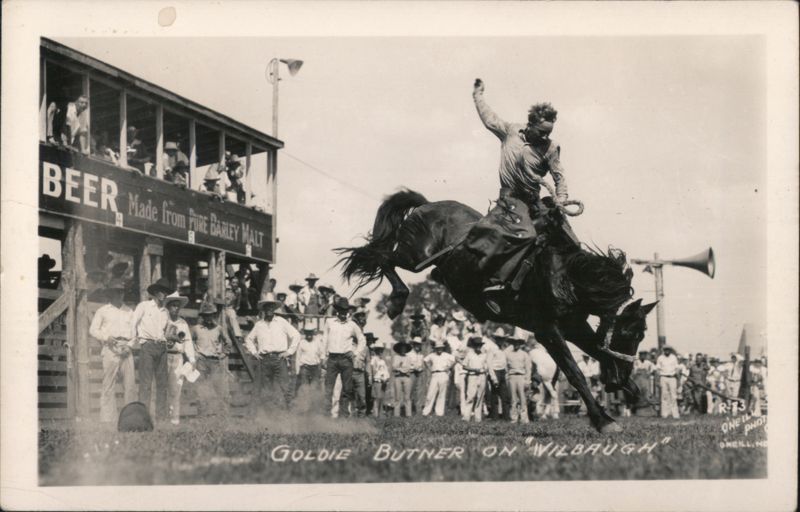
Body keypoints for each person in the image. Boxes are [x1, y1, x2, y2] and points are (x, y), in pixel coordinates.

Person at [469, 78, 577, 315]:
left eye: (548, 133)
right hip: (511, 200)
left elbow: (559, 177)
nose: (545, 137)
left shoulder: (551, 148)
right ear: (531, 125)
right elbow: (489, 118)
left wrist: (561, 199)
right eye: (541, 132)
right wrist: (478, 95)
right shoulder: (510, 132)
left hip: (534, 200)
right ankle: (495, 284)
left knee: (567, 236)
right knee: (527, 234)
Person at [89, 279, 136, 423]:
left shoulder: (129, 311)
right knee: (108, 384)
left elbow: (135, 333)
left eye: (121, 292)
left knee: (130, 385)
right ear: (111, 294)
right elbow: (93, 330)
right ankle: (108, 419)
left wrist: (129, 345)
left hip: (126, 347)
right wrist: (106, 337)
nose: (120, 295)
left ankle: (130, 418)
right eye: (116, 292)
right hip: (110, 347)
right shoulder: (103, 311)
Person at [245, 293, 301, 412]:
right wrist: (254, 352)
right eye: (267, 307)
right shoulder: (259, 325)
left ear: (274, 308)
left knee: (285, 387)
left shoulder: (281, 322)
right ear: (264, 309)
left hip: (279, 359)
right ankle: (269, 415)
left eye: (271, 307)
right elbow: (249, 339)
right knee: (266, 388)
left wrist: (289, 352)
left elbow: (296, 335)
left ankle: (288, 416)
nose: (269, 309)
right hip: (264, 359)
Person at [131, 277, 172, 421]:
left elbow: (166, 331)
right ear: (155, 292)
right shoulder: (144, 306)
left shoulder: (166, 312)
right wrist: (134, 341)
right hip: (147, 346)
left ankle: (161, 417)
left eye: (166, 292)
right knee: (146, 384)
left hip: (162, 347)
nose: (164, 294)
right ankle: (143, 417)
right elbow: (133, 323)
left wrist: (170, 339)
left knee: (162, 384)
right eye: (161, 291)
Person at [322, 297, 366, 418]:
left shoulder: (352, 325)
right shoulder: (329, 322)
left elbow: (362, 339)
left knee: (347, 389)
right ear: (337, 310)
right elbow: (324, 339)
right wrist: (323, 356)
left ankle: (344, 415)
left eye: (345, 310)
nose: (343, 313)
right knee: (328, 388)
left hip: (346, 359)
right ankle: (326, 415)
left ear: (348, 311)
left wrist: (355, 352)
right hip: (332, 358)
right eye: (341, 310)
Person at [192, 302, 232, 417]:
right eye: (206, 315)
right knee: (201, 388)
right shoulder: (196, 329)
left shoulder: (219, 329)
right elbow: (189, 341)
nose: (208, 318)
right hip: (201, 362)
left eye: (210, 315)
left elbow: (228, 342)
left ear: (214, 316)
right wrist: (195, 353)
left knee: (220, 387)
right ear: (202, 316)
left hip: (215, 361)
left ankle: (223, 415)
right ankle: (202, 415)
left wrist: (224, 353)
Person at [163, 291, 195, 425]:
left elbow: (188, 342)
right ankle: (162, 417)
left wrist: (191, 359)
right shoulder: (163, 320)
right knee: (162, 387)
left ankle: (174, 419)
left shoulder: (183, 323)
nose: (176, 308)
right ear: (168, 307)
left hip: (178, 357)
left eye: (178, 306)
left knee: (176, 388)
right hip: (164, 356)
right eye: (173, 305)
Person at [459, 336, 495, 422]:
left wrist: (485, 370)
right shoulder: (470, 354)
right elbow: (464, 366)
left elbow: (488, 366)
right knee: (470, 396)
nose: (478, 347)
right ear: (474, 346)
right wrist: (474, 370)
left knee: (480, 397)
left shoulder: (484, 355)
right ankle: (466, 416)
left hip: (482, 376)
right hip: (472, 376)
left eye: (480, 345)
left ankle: (478, 417)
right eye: (476, 345)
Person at [422, 339, 455, 417]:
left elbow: (454, 361)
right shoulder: (432, 355)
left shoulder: (447, 355)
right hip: (435, 374)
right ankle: (426, 411)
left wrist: (449, 367)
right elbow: (425, 360)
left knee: (442, 393)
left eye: (441, 348)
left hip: (443, 374)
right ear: (435, 348)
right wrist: (429, 368)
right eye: (438, 348)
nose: (439, 349)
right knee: (430, 393)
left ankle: (439, 412)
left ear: (443, 348)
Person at [506, 334, 532, 423]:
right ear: (512, 343)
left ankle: (524, 418)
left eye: (518, 343)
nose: (516, 344)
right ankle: (513, 418)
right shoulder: (508, 354)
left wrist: (527, 381)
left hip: (521, 376)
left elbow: (528, 368)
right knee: (513, 398)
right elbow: (506, 367)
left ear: (520, 344)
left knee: (522, 398)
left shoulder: (524, 354)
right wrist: (507, 378)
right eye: (514, 342)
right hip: (512, 376)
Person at [486, 328, 511, 420]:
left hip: (502, 372)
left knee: (505, 395)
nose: (501, 341)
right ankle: (495, 416)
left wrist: (506, 372)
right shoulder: (492, 349)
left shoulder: (504, 349)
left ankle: (506, 416)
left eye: (502, 339)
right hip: (495, 371)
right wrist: (493, 377)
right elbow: (489, 363)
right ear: (496, 339)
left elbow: (504, 362)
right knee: (494, 395)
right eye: (499, 339)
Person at [391, 339, 415, 417]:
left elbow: (411, 367)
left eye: (404, 348)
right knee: (397, 397)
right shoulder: (396, 357)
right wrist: (400, 368)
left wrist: (402, 368)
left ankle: (408, 414)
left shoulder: (409, 358)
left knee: (407, 397)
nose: (403, 350)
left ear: (406, 349)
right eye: (401, 348)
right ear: (399, 349)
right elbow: (394, 367)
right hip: (398, 377)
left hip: (406, 377)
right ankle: (396, 415)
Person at [656, 345, 680, 419]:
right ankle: (664, 414)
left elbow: (677, 369)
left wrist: (678, 380)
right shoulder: (660, 358)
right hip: (663, 377)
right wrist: (658, 380)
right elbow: (658, 369)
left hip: (672, 377)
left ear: (670, 350)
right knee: (664, 396)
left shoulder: (673, 357)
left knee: (673, 396)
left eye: (668, 349)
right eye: (665, 349)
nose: (667, 351)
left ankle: (675, 414)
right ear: (663, 350)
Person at [630, 351, 656, 416]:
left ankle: (647, 411)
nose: (643, 356)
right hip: (637, 379)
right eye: (641, 355)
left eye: (644, 355)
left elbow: (654, 369)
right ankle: (636, 411)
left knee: (646, 393)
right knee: (638, 394)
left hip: (646, 380)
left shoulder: (648, 362)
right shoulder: (636, 362)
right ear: (639, 355)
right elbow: (634, 371)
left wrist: (649, 373)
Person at [369, 340, 391, 417]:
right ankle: (375, 414)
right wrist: (380, 377)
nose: (380, 352)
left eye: (381, 350)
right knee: (376, 398)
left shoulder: (382, 361)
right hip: (377, 380)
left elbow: (386, 371)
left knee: (382, 397)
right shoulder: (374, 359)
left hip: (383, 381)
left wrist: (386, 377)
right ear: (376, 350)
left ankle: (380, 413)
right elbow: (374, 371)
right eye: (379, 350)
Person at [408, 336, 427, 415]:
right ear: (413, 345)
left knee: (419, 391)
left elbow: (422, 364)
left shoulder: (421, 355)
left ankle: (418, 410)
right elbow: (407, 365)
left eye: (419, 344)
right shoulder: (409, 354)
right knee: (410, 391)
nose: (417, 346)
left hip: (419, 373)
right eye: (416, 344)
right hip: (411, 373)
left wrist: (421, 368)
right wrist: (413, 368)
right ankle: (408, 410)